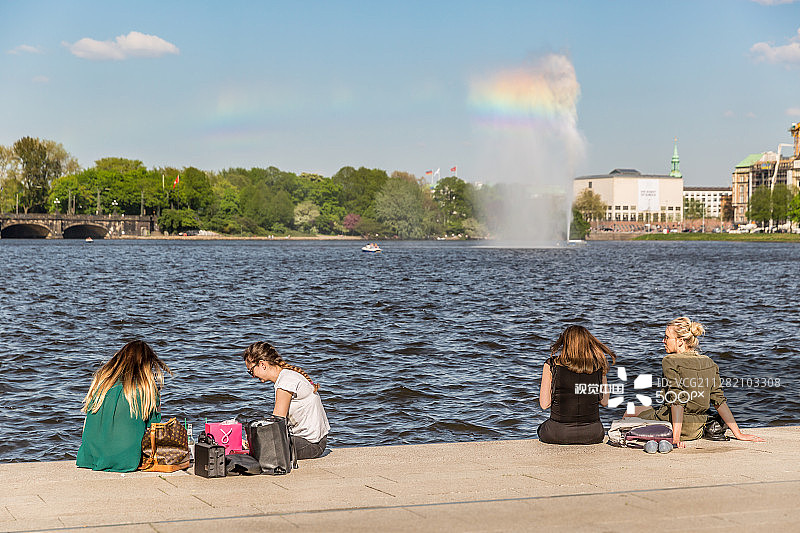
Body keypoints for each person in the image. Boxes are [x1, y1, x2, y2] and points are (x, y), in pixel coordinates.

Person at [629, 317, 763, 448]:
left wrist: (675, 438)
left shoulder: (670, 360)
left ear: (680, 341)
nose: (663, 341)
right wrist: (738, 434)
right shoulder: (709, 362)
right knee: (643, 409)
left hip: (674, 426)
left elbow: (677, 399)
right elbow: (718, 400)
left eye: (667, 337)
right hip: (698, 428)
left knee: (630, 412)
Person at [76, 340, 170, 472]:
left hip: (90, 457)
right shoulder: (146, 389)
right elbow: (154, 427)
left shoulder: (101, 383)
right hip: (125, 460)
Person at [243, 341, 330, 459]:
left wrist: (255, 442)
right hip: (311, 440)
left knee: (260, 451)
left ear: (262, 364)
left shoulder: (285, 382)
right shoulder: (286, 376)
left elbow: (277, 421)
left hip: (311, 444)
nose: (252, 376)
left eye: (251, 371)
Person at [538, 325, 616, 444]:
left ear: (566, 343)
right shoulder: (598, 365)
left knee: (541, 429)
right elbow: (604, 401)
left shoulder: (552, 365)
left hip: (558, 432)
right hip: (593, 433)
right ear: (588, 343)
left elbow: (544, 404)